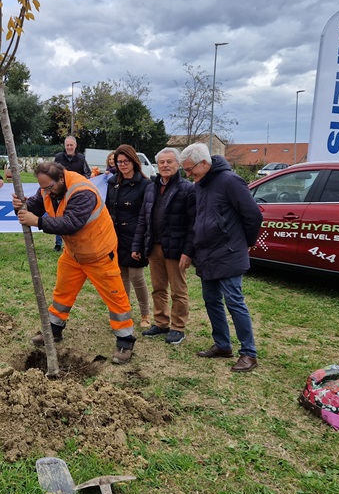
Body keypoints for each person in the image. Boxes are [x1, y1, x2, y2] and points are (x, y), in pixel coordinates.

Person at [13, 161, 137, 365]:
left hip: (99, 254)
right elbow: (32, 206)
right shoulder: (48, 188)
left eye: (48, 187)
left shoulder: (83, 191)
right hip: (73, 254)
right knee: (62, 293)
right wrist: (19, 206)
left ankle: (125, 340)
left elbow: (71, 223)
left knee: (116, 298)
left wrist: (38, 221)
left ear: (61, 178)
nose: (45, 192)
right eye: (42, 187)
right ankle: (53, 331)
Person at [179, 142, 263, 372]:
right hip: (207, 253)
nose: (187, 175)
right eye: (185, 171)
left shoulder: (230, 181)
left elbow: (253, 215)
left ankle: (249, 353)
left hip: (228, 252)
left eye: (189, 170)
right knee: (211, 300)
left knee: (234, 302)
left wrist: (246, 243)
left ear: (204, 163)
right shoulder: (200, 185)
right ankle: (223, 345)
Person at [132, 147, 195, 345]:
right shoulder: (151, 188)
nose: (165, 165)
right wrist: (137, 244)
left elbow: (194, 224)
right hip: (154, 246)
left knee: (178, 291)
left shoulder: (187, 189)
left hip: (176, 249)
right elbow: (142, 218)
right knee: (158, 288)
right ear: (157, 165)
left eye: (169, 162)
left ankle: (178, 327)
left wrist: (188, 251)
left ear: (178, 164)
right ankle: (161, 322)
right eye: (162, 162)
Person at [106, 145, 152, 330]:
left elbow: (146, 215)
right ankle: (124, 312)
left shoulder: (145, 184)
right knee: (121, 277)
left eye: (126, 161)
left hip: (136, 236)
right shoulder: (112, 182)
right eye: (119, 162)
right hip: (115, 236)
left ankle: (145, 313)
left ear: (134, 161)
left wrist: (141, 242)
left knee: (136, 276)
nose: (123, 165)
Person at [53, 136, 91, 251]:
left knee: (76, 217)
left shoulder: (81, 158)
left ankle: (76, 243)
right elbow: (52, 173)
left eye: (71, 145)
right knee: (60, 217)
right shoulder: (58, 157)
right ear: (65, 146)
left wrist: (77, 182)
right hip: (61, 193)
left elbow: (87, 174)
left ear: (75, 145)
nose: (69, 147)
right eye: (67, 145)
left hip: (76, 194)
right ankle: (58, 243)